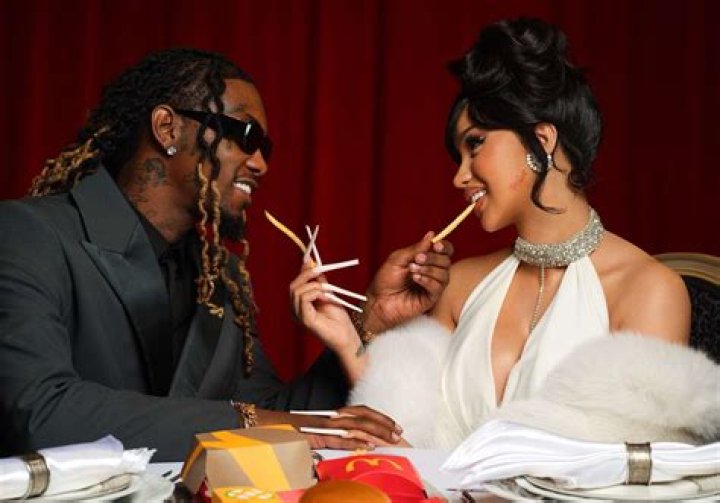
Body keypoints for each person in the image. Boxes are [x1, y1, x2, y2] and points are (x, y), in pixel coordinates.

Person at [291, 18, 694, 449]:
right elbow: (405, 439)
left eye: (475, 144)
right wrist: (350, 339)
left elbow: (627, 469)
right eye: (458, 156)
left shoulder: (649, 291)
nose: (460, 176)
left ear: (542, 140)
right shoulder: (459, 286)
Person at [0, 48, 416, 462]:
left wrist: (367, 322)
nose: (260, 163)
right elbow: (39, 412)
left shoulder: (219, 278)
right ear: (167, 129)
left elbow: (274, 412)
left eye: (265, 148)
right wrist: (247, 422)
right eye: (246, 137)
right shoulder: (26, 233)